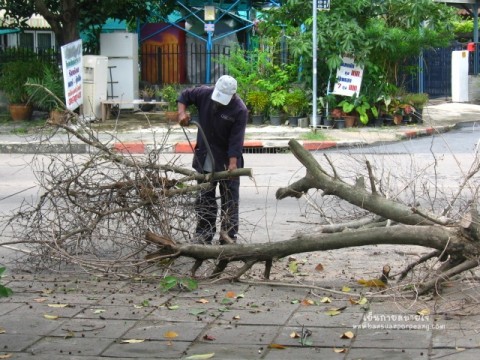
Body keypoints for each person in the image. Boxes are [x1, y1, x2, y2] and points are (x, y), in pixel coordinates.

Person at [177, 75, 248, 245]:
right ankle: (204, 234)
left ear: (233, 95)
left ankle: (228, 236)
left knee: (229, 200)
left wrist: (232, 164)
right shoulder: (204, 93)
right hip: (205, 156)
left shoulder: (239, 110)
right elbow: (184, 95)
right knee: (204, 198)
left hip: (226, 160)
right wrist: (181, 113)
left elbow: (236, 139)